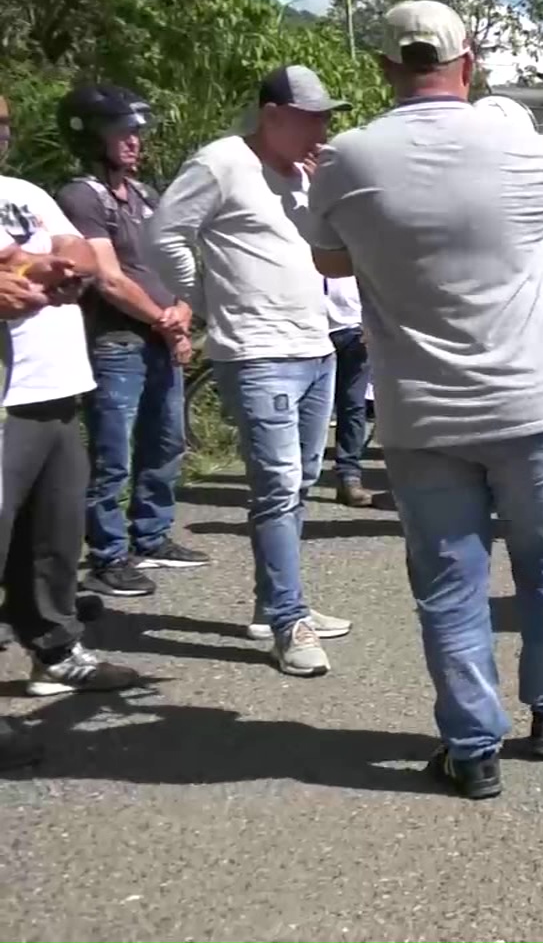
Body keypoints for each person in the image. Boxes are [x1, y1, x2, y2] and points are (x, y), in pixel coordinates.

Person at [304, 0, 543, 799]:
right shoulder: (527, 148)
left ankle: (472, 748)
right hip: (531, 407)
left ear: (384, 70)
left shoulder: (346, 157)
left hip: (419, 414)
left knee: (448, 586)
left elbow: (331, 261)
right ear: (467, 63)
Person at [144, 64, 353, 674]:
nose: (321, 130)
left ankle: (277, 603)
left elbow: (325, 250)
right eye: (310, 118)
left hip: (317, 348)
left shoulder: (303, 178)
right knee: (279, 485)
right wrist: (203, 298)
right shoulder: (222, 162)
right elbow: (164, 235)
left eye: (325, 118)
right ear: (271, 115)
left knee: (303, 480)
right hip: (258, 354)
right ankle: (290, 621)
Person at [52, 84, 207, 601]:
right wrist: (166, 319)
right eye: (123, 131)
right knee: (112, 454)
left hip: (161, 337)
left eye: (138, 131)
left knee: (165, 444)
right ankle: (107, 556)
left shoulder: (144, 196)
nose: (135, 140)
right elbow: (107, 278)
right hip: (116, 344)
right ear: (90, 136)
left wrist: (182, 310)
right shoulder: (81, 197)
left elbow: (177, 259)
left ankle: (152, 536)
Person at [0, 167, 144, 710]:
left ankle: (55, 654)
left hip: (57, 390)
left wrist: (48, 264)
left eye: (4, 125)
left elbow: (82, 253)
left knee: (54, 539)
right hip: (7, 401)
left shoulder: (23, 191)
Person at [323, 274, 374, 507]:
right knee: (309, 407)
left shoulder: (358, 238)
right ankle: (294, 479)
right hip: (310, 331)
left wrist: (371, 321)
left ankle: (349, 477)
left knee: (353, 405)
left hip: (353, 329)